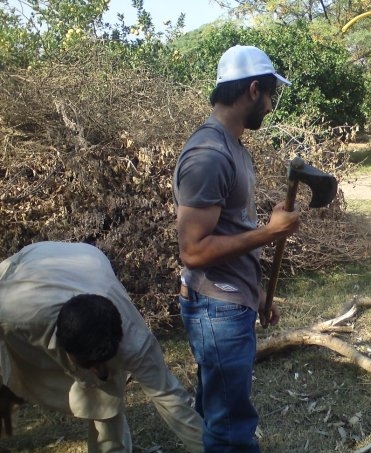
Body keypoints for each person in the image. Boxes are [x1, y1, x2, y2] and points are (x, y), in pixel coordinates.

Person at [172, 45, 301, 452]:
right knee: (231, 430)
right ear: (252, 89)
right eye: (269, 96)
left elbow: (230, 227)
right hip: (217, 309)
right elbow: (193, 251)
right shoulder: (208, 155)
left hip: (231, 301)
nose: (270, 106)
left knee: (219, 412)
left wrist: (257, 293)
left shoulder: (234, 148)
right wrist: (269, 232)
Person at [0, 241, 204, 452]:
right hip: (26, 268)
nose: (100, 371)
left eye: (102, 362)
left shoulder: (135, 341)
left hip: (84, 265)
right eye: (91, 364)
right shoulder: (12, 312)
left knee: (106, 391)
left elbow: (170, 397)